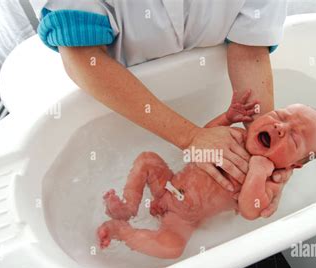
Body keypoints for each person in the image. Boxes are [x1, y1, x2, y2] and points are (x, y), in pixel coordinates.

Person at [31, 0, 289, 217]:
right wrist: (192, 137)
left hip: (191, 102)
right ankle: (127, 211)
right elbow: (82, 55)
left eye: (296, 136)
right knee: (148, 169)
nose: (283, 127)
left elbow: (250, 47)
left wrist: (267, 149)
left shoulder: (249, 158)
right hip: (118, 100)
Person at [97, 91, 316, 258]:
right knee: (147, 159)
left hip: (184, 218)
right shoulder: (236, 134)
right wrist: (227, 118)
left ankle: (121, 230)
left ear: (293, 166)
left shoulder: (269, 182)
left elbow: (250, 211)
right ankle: (128, 206)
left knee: (172, 248)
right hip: (167, 184)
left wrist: (258, 173)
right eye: (281, 115)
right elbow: (202, 139)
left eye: (294, 138)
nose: (281, 127)